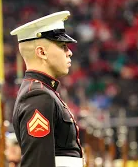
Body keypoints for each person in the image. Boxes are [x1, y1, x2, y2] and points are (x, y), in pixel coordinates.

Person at [10, 11, 84, 167]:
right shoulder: (37, 95)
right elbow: (37, 163)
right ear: (41, 52)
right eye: (63, 46)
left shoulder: (43, 91)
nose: (69, 52)